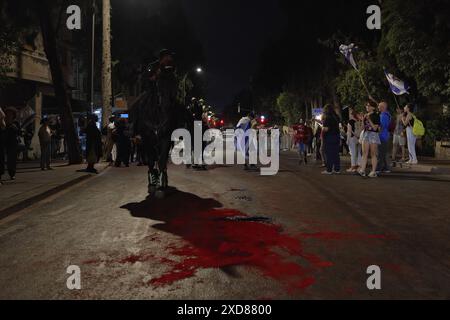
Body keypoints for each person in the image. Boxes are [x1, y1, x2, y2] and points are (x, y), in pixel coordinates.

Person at [358, 101, 381, 178]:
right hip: (366, 134)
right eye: (366, 105)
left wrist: (369, 119)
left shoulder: (376, 115)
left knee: (373, 154)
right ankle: (362, 170)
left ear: (373, 107)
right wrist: (362, 119)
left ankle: (373, 171)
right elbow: (362, 128)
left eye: (368, 105)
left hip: (373, 135)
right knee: (364, 153)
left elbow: (375, 128)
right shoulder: (365, 115)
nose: (367, 107)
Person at [321, 104, 341, 175]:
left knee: (329, 153)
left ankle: (329, 170)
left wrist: (323, 128)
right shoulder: (336, 117)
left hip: (329, 137)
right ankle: (337, 169)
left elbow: (326, 129)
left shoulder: (327, 118)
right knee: (336, 153)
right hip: (337, 136)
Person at [0, 108, 19, 180]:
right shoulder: (3, 122)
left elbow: (19, 132)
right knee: (2, 158)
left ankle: (12, 173)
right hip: (3, 142)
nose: (9, 116)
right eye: (8, 114)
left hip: (12, 143)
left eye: (10, 114)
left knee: (12, 159)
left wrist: (15, 128)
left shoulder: (15, 124)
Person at [377, 101, 391, 173]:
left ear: (383, 107)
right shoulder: (386, 114)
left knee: (380, 153)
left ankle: (378, 169)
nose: (378, 107)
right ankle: (386, 167)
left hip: (382, 136)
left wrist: (376, 131)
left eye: (379, 106)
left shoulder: (383, 115)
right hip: (385, 136)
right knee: (384, 152)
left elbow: (382, 126)